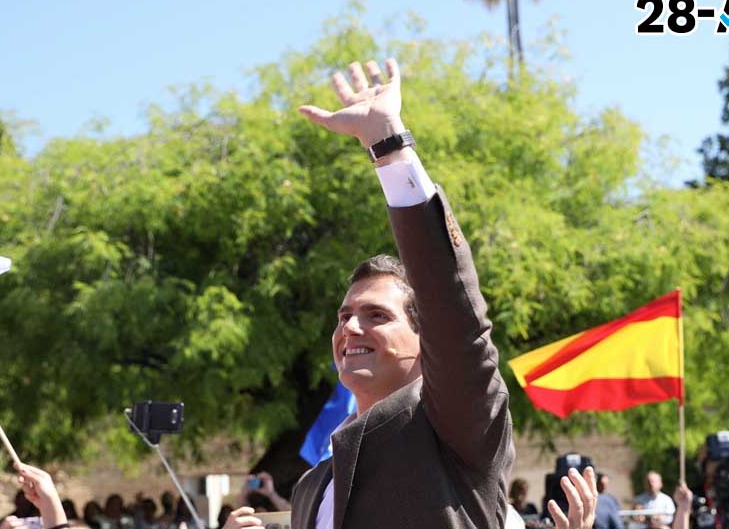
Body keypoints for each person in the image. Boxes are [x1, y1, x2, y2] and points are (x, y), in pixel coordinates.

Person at [224, 57, 598, 529]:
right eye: (344, 316)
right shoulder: (310, 487)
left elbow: (452, 306)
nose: (349, 327)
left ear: (426, 342)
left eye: (377, 315)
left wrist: (388, 143)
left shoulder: (455, 430)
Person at [0, 463, 69, 529]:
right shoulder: (9, 520)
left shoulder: (41, 519)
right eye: (20, 500)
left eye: (26, 500)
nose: (23, 502)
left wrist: (50, 505)